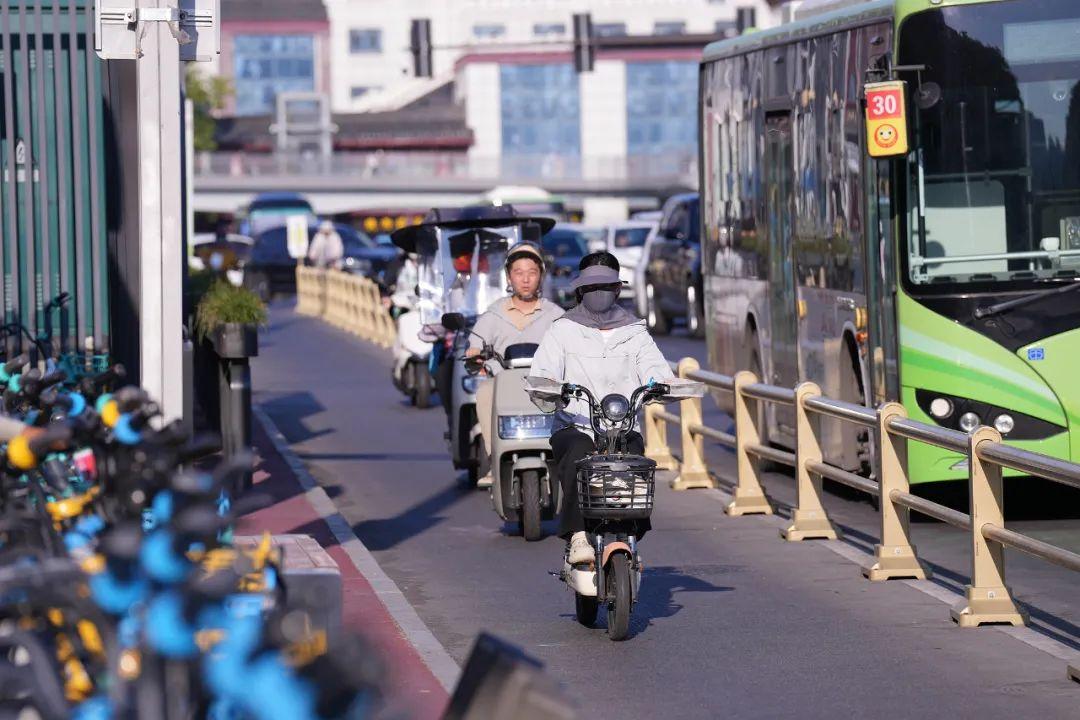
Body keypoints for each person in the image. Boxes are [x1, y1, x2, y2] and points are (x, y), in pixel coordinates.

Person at [528, 252, 674, 564]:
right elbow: (543, 373)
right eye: (592, 287)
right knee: (579, 453)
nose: (599, 293)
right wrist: (552, 387)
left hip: (623, 427)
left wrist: (660, 384)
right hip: (575, 424)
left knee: (634, 463)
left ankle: (628, 535)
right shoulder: (562, 330)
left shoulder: (635, 332)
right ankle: (578, 535)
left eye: (606, 286)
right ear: (580, 289)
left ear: (618, 289)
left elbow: (655, 369)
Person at [467, 242, 564, 487]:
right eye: (519, 273)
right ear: (509, 277)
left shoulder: (555, 314)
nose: (525, 279)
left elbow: (572, 343)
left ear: (541, 276)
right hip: (503, 385)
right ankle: (494, 458)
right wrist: (474, 353)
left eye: (532, 272)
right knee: (484, 393)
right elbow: (475, 343)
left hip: (544, 384)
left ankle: (568, 461)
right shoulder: (494, 314)